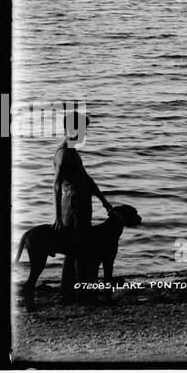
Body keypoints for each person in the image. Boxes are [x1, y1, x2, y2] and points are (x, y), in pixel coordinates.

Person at [51, 115, 112, 301]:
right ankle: (81, 294)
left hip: (83, 205)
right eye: (83, 130)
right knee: (78, 249)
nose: (85, 134)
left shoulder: (73, 152)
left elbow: (87, 180)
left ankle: (70, 292)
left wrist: (104, 201)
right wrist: (58, 218)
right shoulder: (63, 154)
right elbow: (56, 185)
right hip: (73, 207)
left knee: (77, 248)